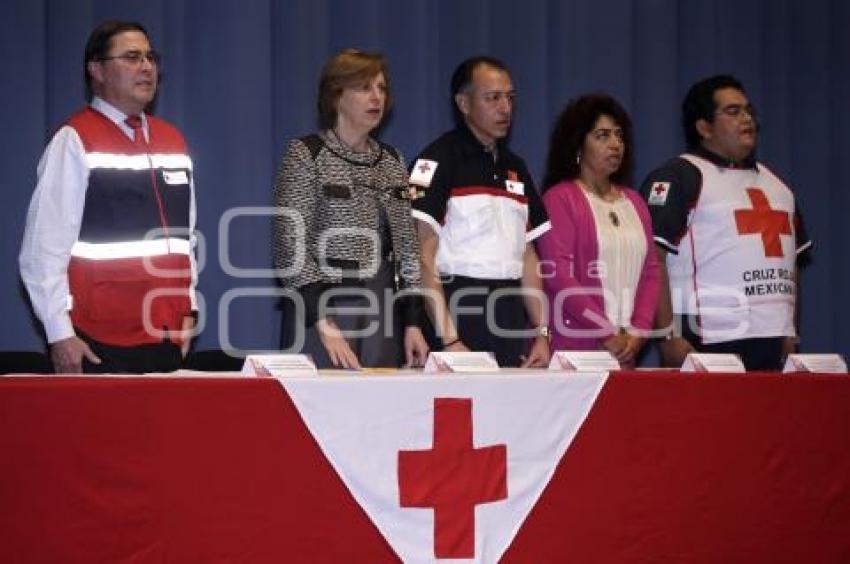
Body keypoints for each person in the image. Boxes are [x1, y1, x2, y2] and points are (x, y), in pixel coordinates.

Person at [19, 20, 198, 374]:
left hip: (165, 337)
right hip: (95, 341)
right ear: (96, 70)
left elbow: (185, 242)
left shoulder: (173, 141)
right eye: (131, 57)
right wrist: (60, 334)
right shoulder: (75, 139)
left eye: (150, 57)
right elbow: (42, 250)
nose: (146, 67)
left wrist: (188, 309)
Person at [639, 75, 811, 370]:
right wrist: (667, 337)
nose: (747, 119)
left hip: (771, 345)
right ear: (704, 127)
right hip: (706, 340)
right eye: (733, 112)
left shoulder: (778, 187)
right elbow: (651, 258)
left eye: (748, 111)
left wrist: (791, 332)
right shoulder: (680, 177)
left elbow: (792, 263)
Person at [273, 49, 428, 369]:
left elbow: (406, 247)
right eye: (364, 88)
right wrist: (324, 324)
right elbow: (291, 246)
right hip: (319, 311)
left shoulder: (393, 160)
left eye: (382, 88)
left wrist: (413, 321)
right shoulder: (306, 154)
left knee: (379, 410)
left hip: (381, 309)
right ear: (336, 96)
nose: (377, 98)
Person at [410, 56, 551, 367]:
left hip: (508, 312)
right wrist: (450, 339)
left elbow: (528, 256)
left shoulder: (516, 167)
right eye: (493, 98)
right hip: (458, 308)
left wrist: (542, 334)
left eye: (510, 98)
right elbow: (422, 255)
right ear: (463, 103)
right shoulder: (437, 161)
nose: (505, 108)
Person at [536, 94, 660, 368]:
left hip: (626, 350)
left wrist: (638, 333)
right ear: (578, 144)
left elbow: (651, 272)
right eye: (602, 136)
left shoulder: (635, 202)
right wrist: (607, 333)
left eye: (619, 135)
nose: (615, 144)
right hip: (577, 350)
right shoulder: (560, 199)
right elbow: (558, 276)